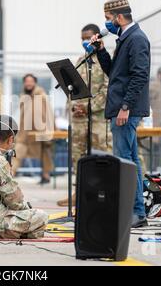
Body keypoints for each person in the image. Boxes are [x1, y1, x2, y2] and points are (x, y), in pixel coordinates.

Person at [90, 0, 151, 228]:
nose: (106, 24)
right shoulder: (125, 38)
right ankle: (136, 211)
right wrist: (101, 51)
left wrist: (125, 107)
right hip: (121, 108)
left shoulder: (136, 39)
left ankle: (134, 212)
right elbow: (115, 74)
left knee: (124, 162)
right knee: (130, 161)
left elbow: (139, 76)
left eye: (108, 19)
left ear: (118, 17)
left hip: (126, 110)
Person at [57, 24, 112, 207]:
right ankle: (78, 193)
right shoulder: (81, 60)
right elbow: (71, 87)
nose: (84, 41)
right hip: (79, 120)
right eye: (82, 38)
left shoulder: (105, 60)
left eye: (88, 37)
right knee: (78, 158)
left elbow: (108, 88)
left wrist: (89, 107)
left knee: (101, 156)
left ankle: (103, 194)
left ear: (96, 37)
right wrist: (74, 107)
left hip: (98, 119)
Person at [12, 74, 55, 184]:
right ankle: (10, 175)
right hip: (25, 133)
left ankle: (46, 175)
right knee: (17, 152)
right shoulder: (23, 96)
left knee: (45, 152)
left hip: (40, 130)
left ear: (35, 82)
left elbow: (48, 112)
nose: (28, 83)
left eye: (31, 81)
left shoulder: (41, 95)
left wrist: (51, 128)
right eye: (26, 81)